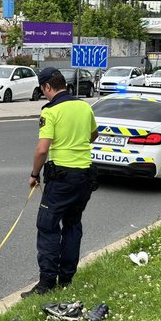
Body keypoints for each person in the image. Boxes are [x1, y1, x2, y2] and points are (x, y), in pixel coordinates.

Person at [22, 67, 98, 298]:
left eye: (42, 90)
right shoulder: (85, 107)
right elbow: (93, 135)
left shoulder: (51, 111)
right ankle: (66, 278)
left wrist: (34, 174)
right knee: (73, 225)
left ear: (47, 87)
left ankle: (46, 283)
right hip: (85, 175)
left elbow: (42, 148)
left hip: (61, 177)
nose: (43, 94)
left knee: (47, 226)